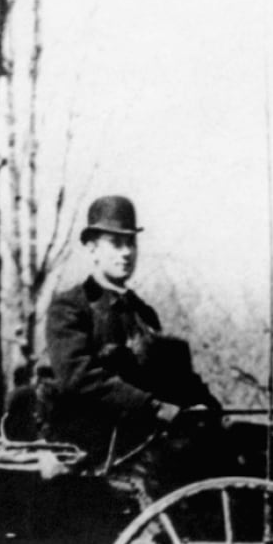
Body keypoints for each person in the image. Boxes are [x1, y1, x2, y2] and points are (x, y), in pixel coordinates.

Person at [44, 195, 220, 466]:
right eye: (116, 244)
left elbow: (171, 378)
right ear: (92, 248)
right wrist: (153, 407)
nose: (126, 252)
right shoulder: (71, 306)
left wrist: (208, 407)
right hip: (93, 445)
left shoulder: (143, 313)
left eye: (131, 243)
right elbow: (78, 378)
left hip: (144, 440)